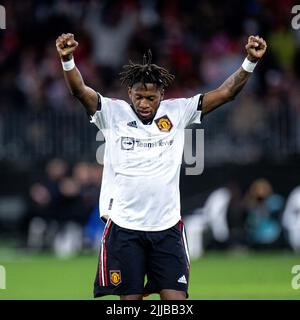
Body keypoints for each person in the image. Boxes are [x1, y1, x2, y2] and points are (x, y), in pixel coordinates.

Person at [55, 32, 267, 300]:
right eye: (139, 96)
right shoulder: (111, 113)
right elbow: (78, 91)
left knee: (175, 301)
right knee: (129, 303)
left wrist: (249, 61)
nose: (144, 103)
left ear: (162, 94)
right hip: (125, 228)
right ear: (129, 92)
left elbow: (226, 93)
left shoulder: (178, 111)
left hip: (166, 229)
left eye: (151, 97)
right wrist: (67, 60)